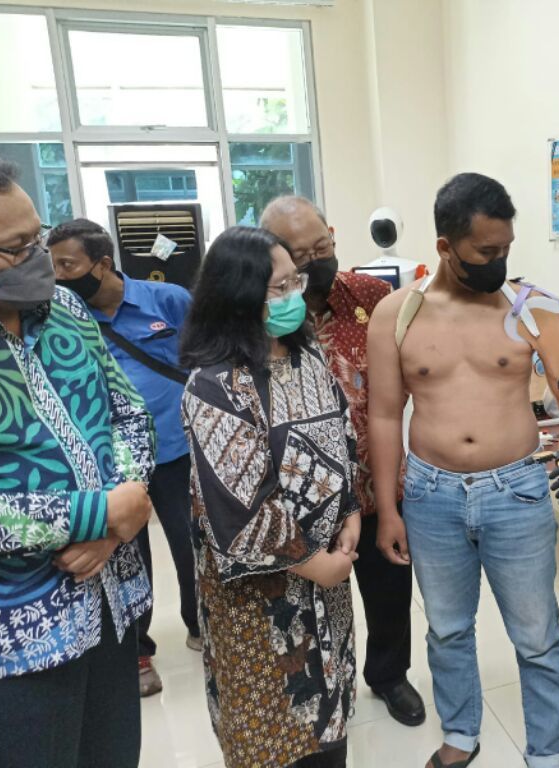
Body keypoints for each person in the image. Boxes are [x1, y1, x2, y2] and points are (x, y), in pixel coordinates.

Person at [0, 152, 155, 767]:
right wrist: (101, 512)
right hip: (9, 639)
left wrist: (120, 515)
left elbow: (129, 415)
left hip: (109, 605)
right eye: (16, 248)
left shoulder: (67, 311)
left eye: (38, 238)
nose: (40, 260)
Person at [368, 173, 559, 768]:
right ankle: (461, 734)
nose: (499, 261)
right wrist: (388, 509)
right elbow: (384, 415)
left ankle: (548, 753)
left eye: (506, 249)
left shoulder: (536, 309)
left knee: (537, 635)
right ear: (445, 247)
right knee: (447, 629)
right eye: (486, 252)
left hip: (516, 490)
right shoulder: (396, 315)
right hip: (430, 494)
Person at [180, 226, 359, 768]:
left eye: (294, 282)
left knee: (330, 722)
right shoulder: (214, 386)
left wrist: (350, 511)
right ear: (238, 298)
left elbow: (342, 436)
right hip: (261, 600)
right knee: (275, 736)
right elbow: (240, 510)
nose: (293, 297)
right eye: (277, 289)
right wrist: (317, 563)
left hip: (328, 580)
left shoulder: (309, 358)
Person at [261, 196, 425, 726]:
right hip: (300, 497)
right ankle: (325, 685)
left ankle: (389, 675)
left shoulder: (372, 297)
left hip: (374, 482)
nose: (316, 261)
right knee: (307, 605)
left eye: (322, 247)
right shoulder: (260, 313)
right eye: (300, 256)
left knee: (389, 587)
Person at [49, 218, 200, 696]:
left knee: (192, 544)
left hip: (177, 449)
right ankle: (138, 649)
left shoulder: (168, 300)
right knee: (128, 554)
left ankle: (202, 625)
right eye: (52, 267)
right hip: (113, 463)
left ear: (102, 264)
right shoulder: (64, 317)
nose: (58, 276)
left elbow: (205, 359)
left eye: (67, 265)